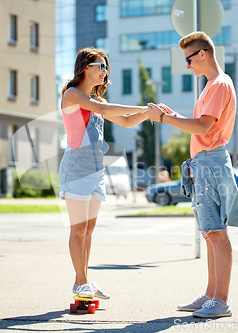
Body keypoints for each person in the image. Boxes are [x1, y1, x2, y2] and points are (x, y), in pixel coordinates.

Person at [145, 32, 238, 318]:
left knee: (216, 234)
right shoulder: (213, 85)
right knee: (210, 233)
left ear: (203, 54)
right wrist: (173, 114)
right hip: (204, 163)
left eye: (189, 59)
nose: (187, 66)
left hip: (210, 162)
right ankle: (211, 295)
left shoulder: (219, 84)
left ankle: (221, 301)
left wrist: (164, 118)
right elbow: (200, 124)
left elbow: (202, 128)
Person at [59, 47, 150, 299]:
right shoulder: (73, 95)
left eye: (106, 67)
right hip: (77, 167)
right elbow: (108, 111)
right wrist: (142, 106)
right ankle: (80, 282)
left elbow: (127, 121)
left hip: (96, 169)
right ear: (85, 67)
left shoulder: (97, 102)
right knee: (77, 230)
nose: (105, 71)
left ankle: (85, 280)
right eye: (101, 66)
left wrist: (148, 113)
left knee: (88, 230)